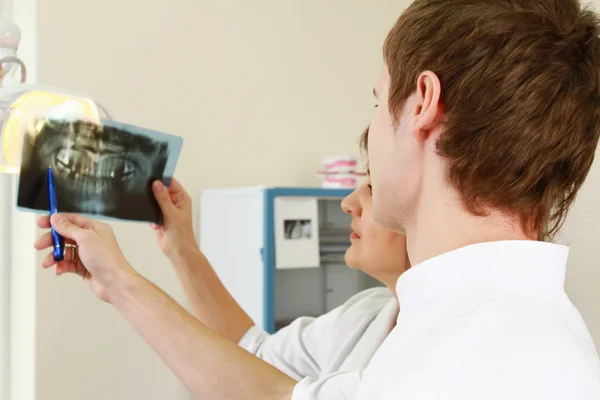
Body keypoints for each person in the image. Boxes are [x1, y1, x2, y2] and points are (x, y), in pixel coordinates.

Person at [34, 0, 600, 398]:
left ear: (423, 102)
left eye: (378, 102)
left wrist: (123, 284)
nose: (372, 134)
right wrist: (143, 270)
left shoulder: (468, 353)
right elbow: (271, 381)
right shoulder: (472, 324)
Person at [150, 127, 409, 390]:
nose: (348, 202)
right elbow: (252, 354)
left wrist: (118, 281)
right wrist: (180, 244)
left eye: (373, 188)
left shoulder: (437, 351)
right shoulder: (365, 315)